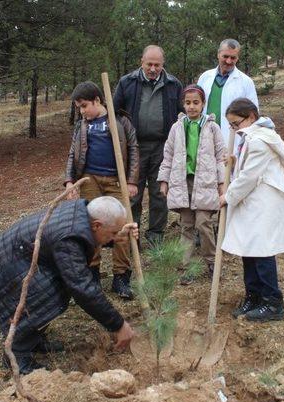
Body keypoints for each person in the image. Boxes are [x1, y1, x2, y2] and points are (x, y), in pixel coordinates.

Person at [0, 197, 138, 374]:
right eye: (113, 232)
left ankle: (33, 339)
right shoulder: (68, 238)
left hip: (12, 263)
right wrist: (118, 325)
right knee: (51, 296)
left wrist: (115, 237)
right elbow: (83, 288)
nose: (114, 235)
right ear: (96, 225)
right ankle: (16, 356)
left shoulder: (80, 214)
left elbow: (87, 241)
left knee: (54, 289)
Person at [219, 98, 284, 322]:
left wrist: (228, 197)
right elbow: (247, 167)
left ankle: (272, 302)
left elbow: (249, 177)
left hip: (265, 202)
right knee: (248, 248)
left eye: (235, 124)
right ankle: (253, 296)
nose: (233, 129)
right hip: (253, 202)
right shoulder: (250, 137)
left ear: (251, 116)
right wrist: (236, 159)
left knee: (261, 251)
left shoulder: (261, 140)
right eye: (231, 125)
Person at [64, 81, 139, 300]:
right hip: (89, 180)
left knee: (122, 225)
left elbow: (133, 149)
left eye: (85, 105)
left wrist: (132, 180)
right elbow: (72, 153)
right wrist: (69, 181)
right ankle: (93, 273)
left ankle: (121, 276)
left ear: (97, 100)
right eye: (79, 107)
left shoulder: (121, 121)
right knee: (91, 226)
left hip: (117, 181)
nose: (82, 111)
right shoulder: (82, 125)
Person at [113, 45, 183, 245]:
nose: (153, 69)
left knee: (159, 192)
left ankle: (156, 236)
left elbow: (182, 114)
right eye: (149, 64)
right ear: (141, 62)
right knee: (133, 193)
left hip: (163, 147)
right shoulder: (127, 82)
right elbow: (115, 114)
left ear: (163, 64)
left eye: (157, 65)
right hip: (134, 147)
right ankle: (132, 236)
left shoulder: (173, 84)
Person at [157, 85, 226, 280]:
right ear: (183, 104)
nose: (192, 107)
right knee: (186, 224)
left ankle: (212, 261)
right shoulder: (177, 127)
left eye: (196, 102)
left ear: (203, 104)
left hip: (205, 182)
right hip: (182, 182)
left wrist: (221, 184)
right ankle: (185, 265)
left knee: (204, 223)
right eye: (188, 103)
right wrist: (164, 180)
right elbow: (168, 155)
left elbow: (220, 156)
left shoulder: (212, 127)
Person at [197, 39, 259, 144]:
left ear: (237, 58)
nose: (229, 61)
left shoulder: (246, 82)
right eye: (225, 56)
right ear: (218, 54)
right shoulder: (205, 77)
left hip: (233, 141)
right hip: (205, 139)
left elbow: (254, 115)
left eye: (233, 58)